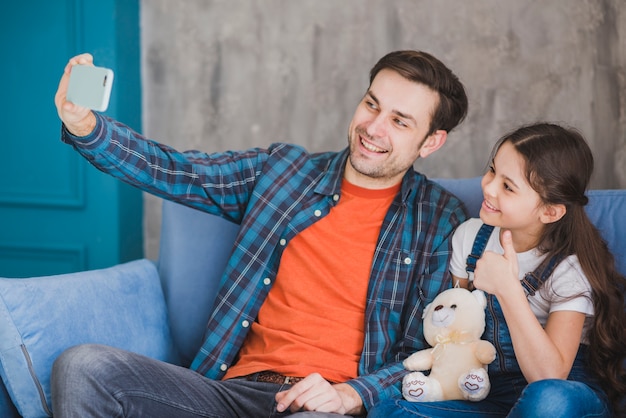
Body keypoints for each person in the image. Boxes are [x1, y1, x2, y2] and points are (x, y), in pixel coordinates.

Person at [51, 50, 469, 417]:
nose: (374, 128)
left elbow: (428, 349)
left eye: (399, 121)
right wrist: (87, 125)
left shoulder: (437, 219)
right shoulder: (283, 172)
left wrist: (351, 395)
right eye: (371, 104)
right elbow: (178, 172)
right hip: (227, 394)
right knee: (83, 366)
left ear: (431, 142)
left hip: (320, 405)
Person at [368, 123, 626, 418]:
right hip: (491, 392)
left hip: (564, 394)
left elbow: (549, 375)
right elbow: (456, 323)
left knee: (548, 400)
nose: (488, 188)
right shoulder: (470, 238)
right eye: (492, 171)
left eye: (508, 186)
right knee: (390, 410)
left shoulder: (568, 270)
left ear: (550, 211)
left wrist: (507, 288)